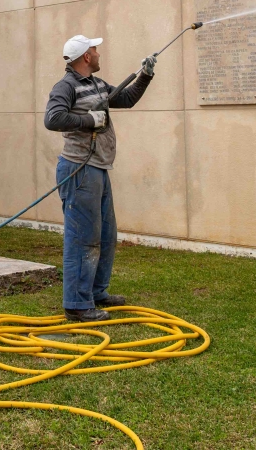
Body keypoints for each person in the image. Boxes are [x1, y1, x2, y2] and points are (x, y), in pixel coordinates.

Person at [44, 35, 156, 322]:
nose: (98, 53)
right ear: (85, 56)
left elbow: (126, 99)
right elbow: (53, 119)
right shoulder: (66, 87)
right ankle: (77, 305)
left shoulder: (96, 84)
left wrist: (145, 75)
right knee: (83, 238)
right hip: (79, 170)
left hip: (99, 167)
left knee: (105, 235)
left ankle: (95, 293)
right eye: (94, 50)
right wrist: (89, 120)